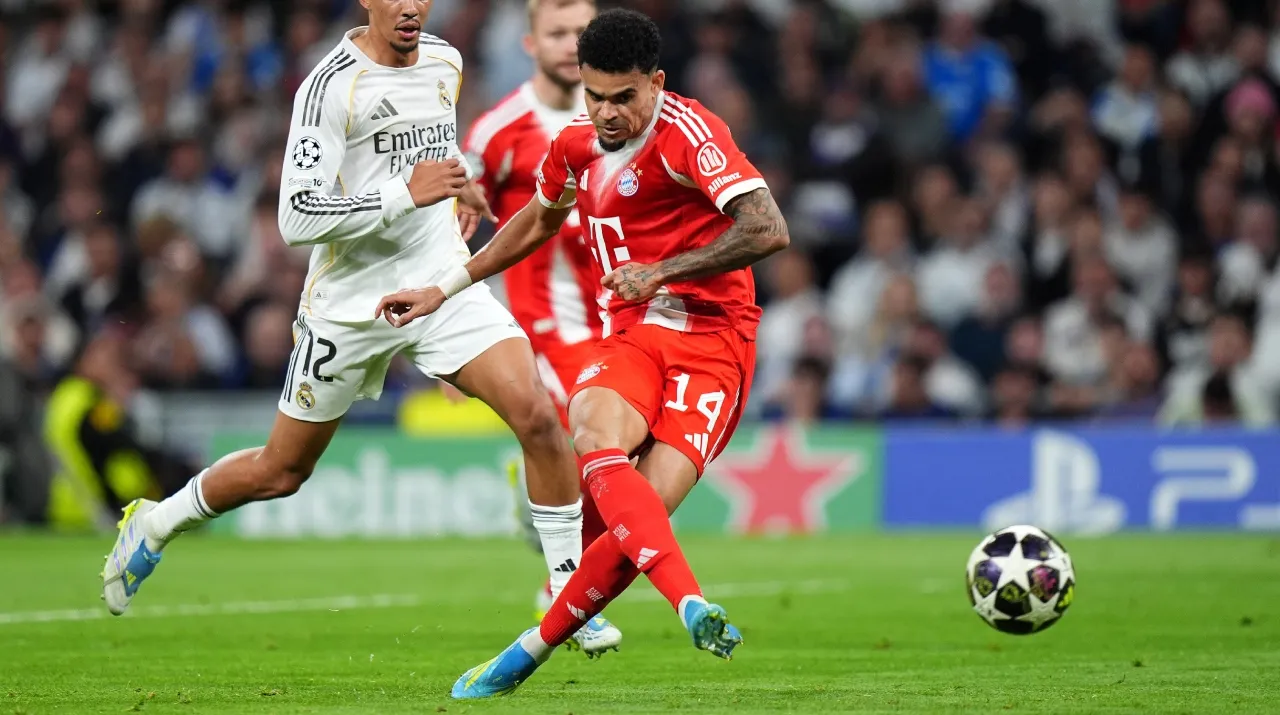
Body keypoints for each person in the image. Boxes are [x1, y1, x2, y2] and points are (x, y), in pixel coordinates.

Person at [101, 1, 595, 650]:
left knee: (535, 412)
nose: (414, 6)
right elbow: (297, 217)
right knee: (281, 470)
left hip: (436, 279)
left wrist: (460, 184)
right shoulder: (330, 85)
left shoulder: (445, 60)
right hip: (349, 303)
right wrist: (404, 194)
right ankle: (157, 522)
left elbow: (429, 150)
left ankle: (566, 591)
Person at [374, 9, 790, 698]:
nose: (606, 113)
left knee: (637, 517)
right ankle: (691, 602)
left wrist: (663, 271)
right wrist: (443, 288)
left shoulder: (691, 133)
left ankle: (524, 655)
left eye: (623, 97)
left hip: (717, 341)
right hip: (633, 333)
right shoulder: (574, 146)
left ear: (655, 83)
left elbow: (767, 227)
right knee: (590, 435)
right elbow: (535, 219)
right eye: (595, 96)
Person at [462, 0, 616, 643]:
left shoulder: (620, 115)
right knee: (609, 453)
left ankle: (544, 517)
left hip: (620, 314)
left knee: (620, 457)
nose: (569, 44)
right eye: (557, 34)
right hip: (546, 321)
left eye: (581, 32)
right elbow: (458, 225)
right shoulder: (500, 130)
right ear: (529, 43)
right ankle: (565, 590)